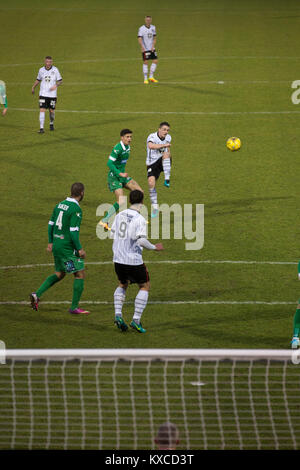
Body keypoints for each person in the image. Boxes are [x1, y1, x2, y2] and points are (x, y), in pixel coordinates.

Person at [30, 182, 89, 315]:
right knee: (79, 274)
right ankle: (74, 307)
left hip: (57, 245)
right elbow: (73, 232)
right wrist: (79, 249)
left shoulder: (59, 205)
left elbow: (51, 224)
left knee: (60, 273)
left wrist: (51, 242)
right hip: (67, 249)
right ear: (82, 193)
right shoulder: (76, 209)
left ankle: (36, 294)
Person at [110, 190, 163, 333]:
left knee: (122, 283)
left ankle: (118, 315)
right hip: (133, 260)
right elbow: (141, 240)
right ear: (142, 202)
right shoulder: (140, 219)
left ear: (129, 201)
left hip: (118, 259)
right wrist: (154, 247)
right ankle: (136, 320)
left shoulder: (119, 215)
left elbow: (111, 233)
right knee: (145, 286)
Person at [99, 129, 143, 230]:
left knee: (140, 192)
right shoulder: (117, 148)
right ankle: (104, 221)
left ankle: (136, 218)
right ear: (122, 137)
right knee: (121, 201)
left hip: (123, 177)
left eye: (131, 137)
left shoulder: (128, 147)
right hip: (114, 177)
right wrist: (120, 173)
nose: (130, 139)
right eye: (127, 137)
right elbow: (109, 163)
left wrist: (123, 174)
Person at [146, 122, 172, 218]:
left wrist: (168, 156)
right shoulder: (152, 136)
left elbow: (168, 151)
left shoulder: (168, 137)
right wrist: (164, 146)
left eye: (167, 130)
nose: (166, 132)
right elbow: (151, 146)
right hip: (152, 163)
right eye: (164, 129)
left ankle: (167, 179)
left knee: (166, 154)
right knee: (151, 183)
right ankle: (155, 208)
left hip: (163, 160)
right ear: (159, 129)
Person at [31, 56, 62, 133]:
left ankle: (51, 123)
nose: (48, 63)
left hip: (52, 95)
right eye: (47, 62)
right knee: (42, 110)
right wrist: (33, 87)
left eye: (50, 62)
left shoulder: (55, 70)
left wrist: (56, 85)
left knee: (51, 111)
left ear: (52, 62)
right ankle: (41, 128)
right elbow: (38, 79)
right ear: (45, 62)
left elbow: (60, 81)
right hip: (43, 94)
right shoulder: (41, 70)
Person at [138, 15, 158, 84]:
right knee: (146, 62)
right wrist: (142, 47)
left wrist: (153, 46)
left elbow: (154, 38)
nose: (148, 21)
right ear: (145, 20)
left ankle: (151, 77)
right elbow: (139, 38)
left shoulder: (153, 27)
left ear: (151, 20)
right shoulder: (141, 28)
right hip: (145, 48)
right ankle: (145, 79)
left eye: (149, 20)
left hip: (152, 47)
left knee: (155, 61)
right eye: (147, 20)